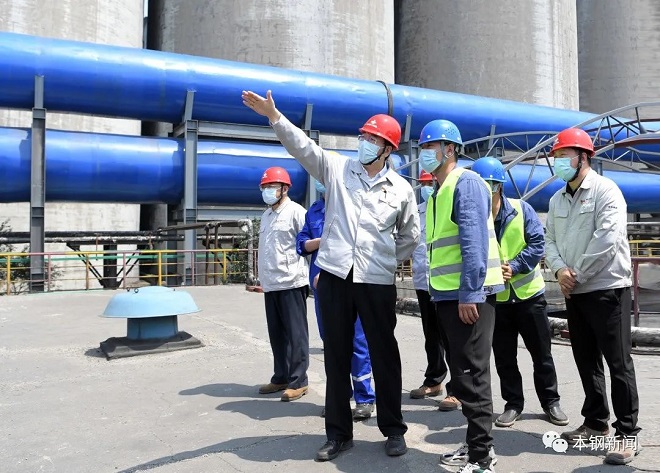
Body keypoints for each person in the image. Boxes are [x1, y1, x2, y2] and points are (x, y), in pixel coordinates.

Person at [242, 89, 419, 462]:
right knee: (337, 356)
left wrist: (386, 261)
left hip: (376, 282)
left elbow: (410, 236)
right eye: (363, 136)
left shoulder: (402, 189)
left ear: (387, 149)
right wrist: (275, 117)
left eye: (372, 139)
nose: (363, 142)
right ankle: (339, 434)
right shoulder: (338, 169)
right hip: (337, 277)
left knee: (384, 355)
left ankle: (393, 430)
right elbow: (303, 148)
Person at [545, 128, 641, 465]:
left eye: (564, 155)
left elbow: (608, 238)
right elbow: (549, 240)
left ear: (584, 157)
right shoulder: (557, 200)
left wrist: (576, 274)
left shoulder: (605, 190)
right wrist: (560, 271)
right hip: (574, 290)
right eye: (556, 157)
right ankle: (596, 422)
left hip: (606, 288)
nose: (559, 162)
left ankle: (627, 433)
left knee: (618, 362)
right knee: (586, 359)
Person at [420, 119, 503, 473]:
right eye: (422, 148)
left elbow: (473, 242)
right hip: (446, 295)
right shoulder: (437, 192)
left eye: (430, 146)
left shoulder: (465, 183)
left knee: (473, 375)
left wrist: (470, 293)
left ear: (450, 149)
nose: (424, 153)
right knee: (462, 375)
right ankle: (474, 445)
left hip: (468, 297)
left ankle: (483, 457)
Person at [472, 157, 568, 429]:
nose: (485, 193)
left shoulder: (521, 209)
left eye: (489, 186)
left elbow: (537, 244)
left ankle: (551, 402)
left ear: (499, 187)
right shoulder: (474, 219)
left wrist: (513, 267)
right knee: (504, 358)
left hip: (529, 297)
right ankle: (513, 404)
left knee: (542, 354)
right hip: (496, 300)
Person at [296, 179, 376, 421]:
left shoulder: (350, 206)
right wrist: (320, 242)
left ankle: (364, 398)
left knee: (357, 341)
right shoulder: (314, 211)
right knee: (331, 344)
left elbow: (357, 244)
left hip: (348, 284)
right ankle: (339, 398)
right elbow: (301, 243)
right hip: (322, 290)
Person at [256, 166, 310, 402]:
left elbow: (309, 243)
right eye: (264, 187)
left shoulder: (297, 212)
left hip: (292, 281)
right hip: (271, 283)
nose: (267, 191)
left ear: (285, 189)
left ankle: (299, 381)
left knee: (296, 335)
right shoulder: (266, 216)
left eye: (272, 186)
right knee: (277, 335)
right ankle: (281, 376)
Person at [409, 170, 456, 410]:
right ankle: (434, 379)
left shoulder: (450, 204)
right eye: (424, 183)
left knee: (452, 336)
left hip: (447, 281)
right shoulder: (416, 211)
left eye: (430, 182)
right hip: (423, 281)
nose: (427, 187)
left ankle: (457, 388)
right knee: (431, 335)